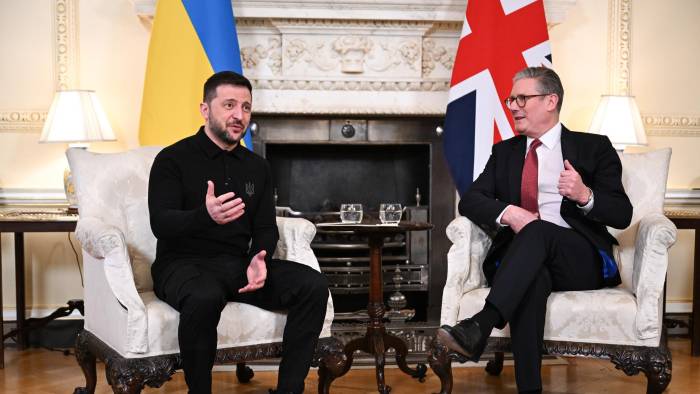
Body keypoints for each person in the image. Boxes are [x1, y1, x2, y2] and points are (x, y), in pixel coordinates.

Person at [437, 66, 632, 394]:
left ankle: (481, 324)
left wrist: (585, 195)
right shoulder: (506, 152)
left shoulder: (593, 147)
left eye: (522, 98)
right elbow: (471, 200)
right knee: (533, 277)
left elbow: (622, 214)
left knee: (539, 231)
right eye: (511, 98)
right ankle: (530, 390)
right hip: (520, 259)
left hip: (578, 258)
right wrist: (509, 213)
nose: (512, 106)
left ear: (550, 101)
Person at [148, 71, 329, 394]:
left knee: (312, 284)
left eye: (246, 107)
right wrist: (205, 216)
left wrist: (259, 256)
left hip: (236, 265)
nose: (239, 115)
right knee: (204, 296)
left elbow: (264, 227)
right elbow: (161, 224)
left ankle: (290, 389)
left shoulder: (256, 166)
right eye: (229, 105)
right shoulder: (172, 159)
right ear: (205, 109)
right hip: (181, 265)